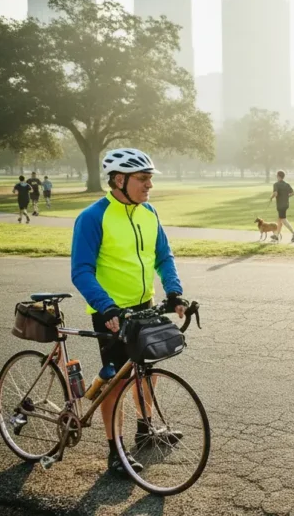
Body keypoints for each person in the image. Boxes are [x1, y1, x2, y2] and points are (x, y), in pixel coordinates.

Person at [71, 148, 187, 477]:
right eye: (142, 178)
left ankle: (145, 430)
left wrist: (174, 291)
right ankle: (115, 450)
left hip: (144, 306)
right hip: (110, 311)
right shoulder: (94, 217)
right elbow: (81, 270)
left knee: (145, 372)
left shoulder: (148, 213)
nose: (149, 184)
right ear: (119, 180)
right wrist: (106, 305)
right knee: (116, 379)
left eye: (150, 178)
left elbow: (164, 257)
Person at [270, 170, 294, 243]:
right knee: (279, 220)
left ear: (278, 176)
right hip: (286, 204)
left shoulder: (276, 184)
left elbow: (275, 193)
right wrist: (286, 196)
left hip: (280, 205)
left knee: (283, 219)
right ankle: (276, 236)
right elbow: (292, 193)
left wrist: (271, 197)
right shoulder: (287, 184)